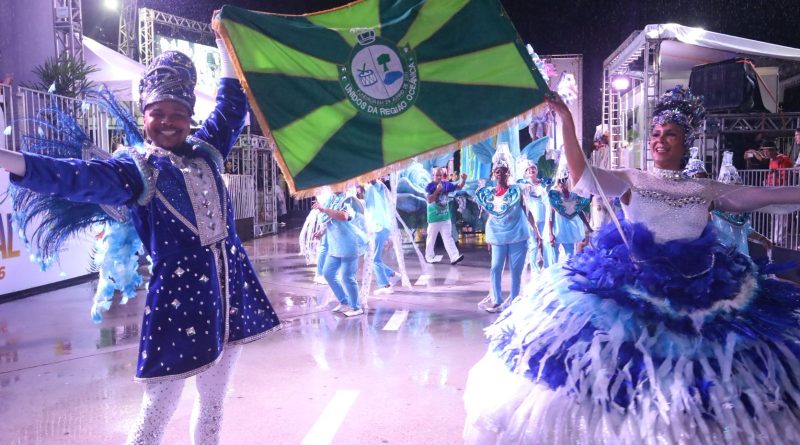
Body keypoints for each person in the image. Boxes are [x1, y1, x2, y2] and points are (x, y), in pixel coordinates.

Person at [463, 86, 800, 444]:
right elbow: (582, 177)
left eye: (671, 135)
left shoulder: (705, 189)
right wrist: (566, 119)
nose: (660, 141)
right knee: (629, 378)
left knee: (687, 381)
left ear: (686, 143)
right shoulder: (630, 179)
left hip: (700, 294)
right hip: (632, 290)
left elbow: (769, 196)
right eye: (656, 134)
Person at [1, 29, 280, 444]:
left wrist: (223, 41)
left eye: (178, 113)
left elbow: (233, 104)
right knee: (157, 411)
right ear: (144, 113)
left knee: (215, 401)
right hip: (178, 303)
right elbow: (75, 178)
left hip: (229, 292)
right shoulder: (137, 170)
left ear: (190, 117)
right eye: (158, 112)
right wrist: (6, 158)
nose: (168, 121)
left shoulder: (207, 150)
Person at [475, 149, 540, 313]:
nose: (500, 175)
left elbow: (528, 211)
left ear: (508, 173)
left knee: (516, 272)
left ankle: (514, 302)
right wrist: (488, 238)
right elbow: (490, 216)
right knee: (495, 268)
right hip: (498, 237)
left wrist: (536, 231)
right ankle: (497, 301)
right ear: (493, 174)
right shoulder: (489, 194)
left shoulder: (517, 191)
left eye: (503, 172)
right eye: (497, 172)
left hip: (518, 236)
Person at [312, 191, 369, 317]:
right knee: (328, 273)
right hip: (336, 246)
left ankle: (356, 307)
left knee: (347, 276)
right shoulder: (331, 199)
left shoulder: (348, 200)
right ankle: (344, 301)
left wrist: (324, 209)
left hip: (350, 244)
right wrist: (321, 232)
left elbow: (344, 217)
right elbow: (330, 221)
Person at [424, 167, 466, 264]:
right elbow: (429, 200)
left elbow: (459, 187)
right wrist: (437, 191)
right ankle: (429, 257)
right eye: (437, 175)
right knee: (431, 239)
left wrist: (463, 180)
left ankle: (454, 257)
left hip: (445, 217)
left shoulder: (446, 184)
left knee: (448, 237)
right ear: (433, 175)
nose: (439, 177)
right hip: (434, 218)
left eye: (440, 175)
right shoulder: (429, 186)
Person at [364, 179, 399, 294]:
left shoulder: (378, 186)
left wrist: (371, 176)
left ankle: (385, 286)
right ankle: (392, 274)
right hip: (378, 227)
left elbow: (375, 183)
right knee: (370, 257)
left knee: (374, 259)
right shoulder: (369, 189)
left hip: (379, 227)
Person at [547, 175, 591, 262]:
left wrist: (588, 226)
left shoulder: (574, 196)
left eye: (564, 182)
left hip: (570, 233)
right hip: (557, 232)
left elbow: (580, 212)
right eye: (560, 182)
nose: (562, 184)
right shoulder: (554, 197)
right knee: (554, 258)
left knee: (569, 257)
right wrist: (550, 234)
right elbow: (550, 217)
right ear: (557, 184)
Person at [517, 161, 552, 272]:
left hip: (543, 215)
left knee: (546, 242)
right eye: (529, 169)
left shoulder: (544, 183)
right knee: (533, 244)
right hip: (530, 218)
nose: (531, 170)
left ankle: (547, 267)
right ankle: (534, 269)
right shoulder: (523, 185)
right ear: (525, 173)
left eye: (533, 168)